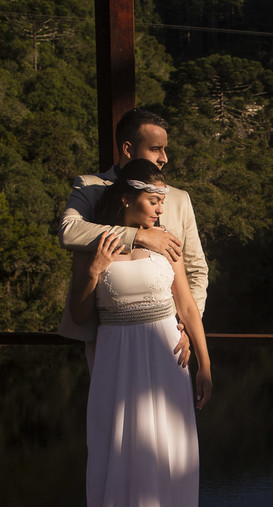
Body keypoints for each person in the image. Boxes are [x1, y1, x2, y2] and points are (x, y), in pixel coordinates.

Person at [69, 159, 213, 507]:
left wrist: (205, 363)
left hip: (166, 359)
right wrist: (94, 272)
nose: (159, 210)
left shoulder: (166, 242)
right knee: (116, 448)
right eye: (153, 201)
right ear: (127, 198)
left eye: (162, 202)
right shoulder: (99, 244)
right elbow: (79, 315)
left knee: (166, 452)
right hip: (116, 358)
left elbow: (187, 306)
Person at [59, 109, 208, 370]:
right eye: (155, 149)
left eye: (165, 149)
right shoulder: (91, 186)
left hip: (169, 338)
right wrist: (140, 236)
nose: (164, 158)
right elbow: (69, 231)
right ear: (127, 149)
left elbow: (196, 269)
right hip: (108, 336)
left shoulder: (179, 198)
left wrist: (186, 329)